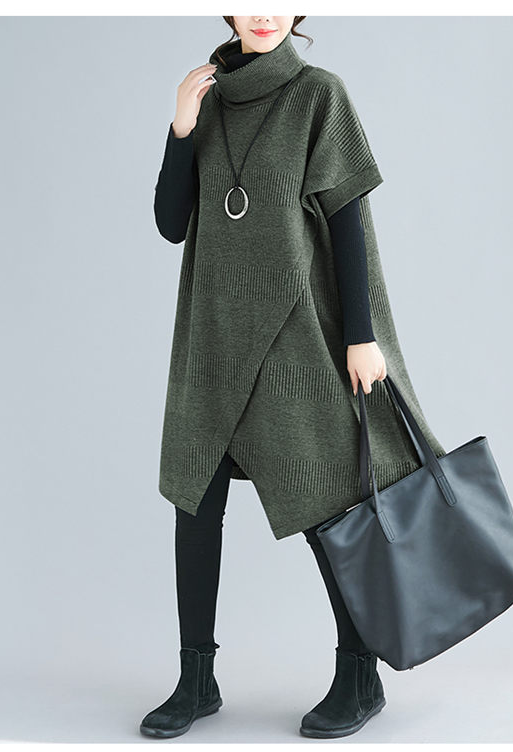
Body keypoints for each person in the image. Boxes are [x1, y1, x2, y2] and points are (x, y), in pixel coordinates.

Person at [140, 15, 446, 740]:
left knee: (325, 504)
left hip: (292, 337)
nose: (264, 12)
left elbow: (347, 224)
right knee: (194, 500)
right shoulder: (208, 102)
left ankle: (359, 675)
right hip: (213, 336)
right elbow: (170, 223)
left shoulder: (319, 96)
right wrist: (181, 127)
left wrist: (362, 337)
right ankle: (196, 679)